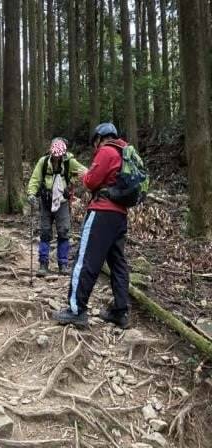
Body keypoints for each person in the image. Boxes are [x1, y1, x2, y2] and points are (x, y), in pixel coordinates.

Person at [52, 123, 130, 329]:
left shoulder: (106, 151)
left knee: (86, 259)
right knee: (118, 263)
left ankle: (76, 309)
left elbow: (91, 182)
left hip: (102, 212)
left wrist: (85, 176)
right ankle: (121, 312)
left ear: (99, 138)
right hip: (120, 215)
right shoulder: (126, 153)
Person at [27, 138, 87, 277]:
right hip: (46, 201)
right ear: (51, 152)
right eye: (54, 156)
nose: (56, 158)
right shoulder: (43, 162)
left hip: (62, 202)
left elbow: (85, 172)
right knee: (45, 232)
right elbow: (35, 179)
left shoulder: (69, 162)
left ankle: (63, 264)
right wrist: (31, 193)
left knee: (64, 231)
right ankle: (43, 264)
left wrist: (72, 181)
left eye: (59, 156)